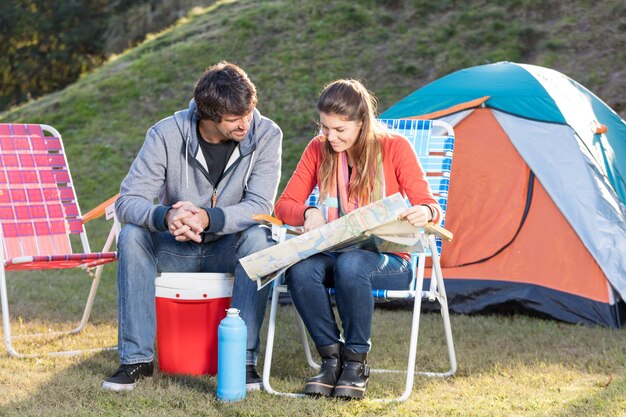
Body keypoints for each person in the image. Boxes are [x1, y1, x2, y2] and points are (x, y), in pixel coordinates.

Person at [102, 61, 282, 392]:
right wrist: (167, 216)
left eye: (249, 112)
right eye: (235, 119)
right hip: (176, 245)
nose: (246, 123)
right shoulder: (166, 134)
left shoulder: (267, 134)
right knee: (132, 235)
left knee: (260, 238)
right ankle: (136, 360)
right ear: (208, 117)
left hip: (228, 247)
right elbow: (128, 201)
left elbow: (260, 206)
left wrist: (207, 217)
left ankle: (243, 362)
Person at [273, 79, 441, 399]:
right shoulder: (317, 148)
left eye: (340, 129)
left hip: (388, 257)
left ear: (362, 123)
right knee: (300, 269)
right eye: (325, 127)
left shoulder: (395, 147)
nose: (330, 137)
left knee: (352, 264)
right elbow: (284, 205)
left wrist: (425, 212)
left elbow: (429, 204)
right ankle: (331, 360)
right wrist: (308, 213)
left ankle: (355, 363)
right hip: (334, 250)